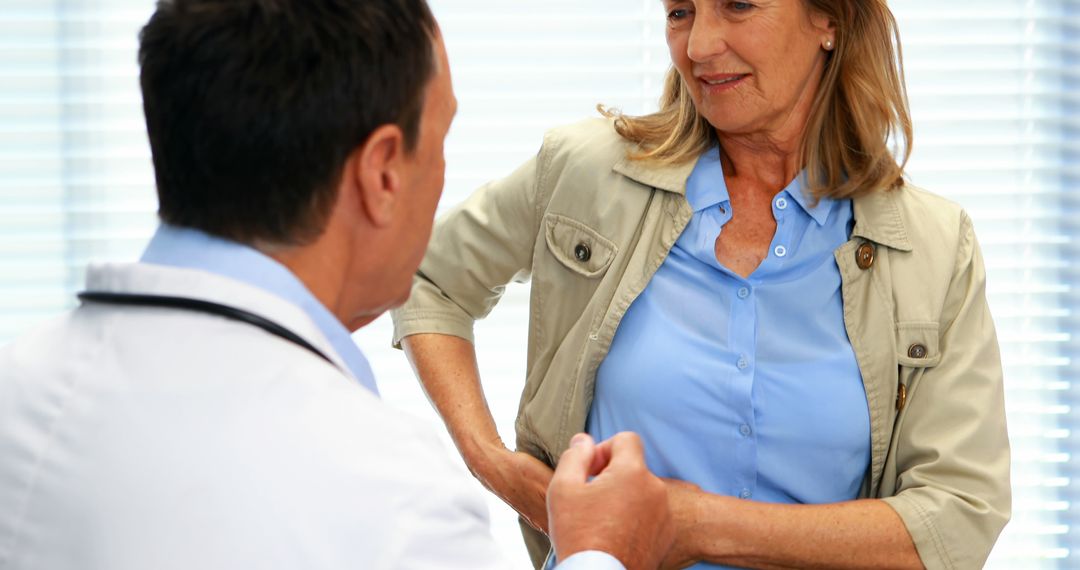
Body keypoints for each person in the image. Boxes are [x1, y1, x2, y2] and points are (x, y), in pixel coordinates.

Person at [0, 1, 675, 569]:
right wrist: (595, 552)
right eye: (439, 142)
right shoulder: (392, 499)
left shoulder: (17, 390)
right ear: (383, 172)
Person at [391, 0, 1011, 569]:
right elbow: (427, 276)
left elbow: (956, 517)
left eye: (738, 5)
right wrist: (496, 465)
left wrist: (692, 524)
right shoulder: (588, 173)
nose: (699, 45)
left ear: (830, 20)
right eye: (680, 12)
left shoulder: (933, 245)